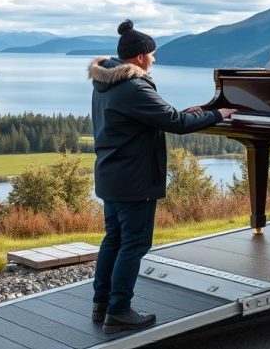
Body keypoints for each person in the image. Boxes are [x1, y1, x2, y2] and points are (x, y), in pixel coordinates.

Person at [88, 19, 236, 334]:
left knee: (113, 239)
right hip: (135, 179)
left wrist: (187, 112)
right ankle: (119, 311)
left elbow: (151, 118)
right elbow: (176, 123)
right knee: (135, 244)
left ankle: (101, 305)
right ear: (140, 57)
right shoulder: (133, 86)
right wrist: (216, 115)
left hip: (113, 175)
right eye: (152, 54)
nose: (154, 59)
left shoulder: (107, 83)